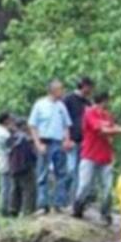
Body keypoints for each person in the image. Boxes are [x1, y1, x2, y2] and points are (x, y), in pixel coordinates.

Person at [72, 91, 121, 224]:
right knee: (85, 185)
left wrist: (119, 131)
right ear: (103, 101)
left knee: (107, 187)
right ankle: (78, 206)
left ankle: (105, 214)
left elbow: (111, 130)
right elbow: (102, 130)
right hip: (89, 155)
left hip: (105, 157)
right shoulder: (89, 113)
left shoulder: (107, 116)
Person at [29, 79, 74, 213]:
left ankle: (59, 203)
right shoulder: (40, 104)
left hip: (58, 142)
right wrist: (37, 143)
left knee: (62, 173)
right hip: (45, 141)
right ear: (53, 90)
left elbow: (66, 125)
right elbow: (33, 125)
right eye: (60, 89)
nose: (63, 91)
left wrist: (67, 140)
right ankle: (43, 205)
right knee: (42, 174)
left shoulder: (61, 106)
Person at [63, 77, 94, 198]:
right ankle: (66, 196)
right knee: (71, 170)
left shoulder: (88, 103)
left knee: (81, 171)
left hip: (85, 141)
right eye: (90, 87)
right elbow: (63, 120)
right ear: (84, 86)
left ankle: (76, 197)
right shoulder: (69, 99)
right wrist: (66, 138)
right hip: (71, 139)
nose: (91, 90)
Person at [8, 117, 38, 216]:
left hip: (13, 166)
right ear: (24, 126)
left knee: (15, 188)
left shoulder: (11, 137)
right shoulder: (26, 138)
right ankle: (28, 210)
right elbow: (30, 153)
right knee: (29, 189)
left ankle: (13, 208)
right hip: (25, 166)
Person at [0, 112, 15, 215]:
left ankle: (7, 208)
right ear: (5, 120)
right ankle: (5, 209)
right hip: (4, 161)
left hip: (4, 160)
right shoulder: (2, 133)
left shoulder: (0, 130)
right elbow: (11, 144)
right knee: (7, 187)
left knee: (7, 186)